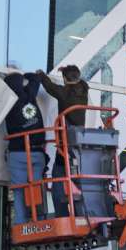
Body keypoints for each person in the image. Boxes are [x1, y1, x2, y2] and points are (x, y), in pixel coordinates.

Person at [36, 66, 89, 216]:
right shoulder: (84, 90)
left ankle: (62, 216)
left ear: (65, 79)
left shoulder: (66, 93)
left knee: (58, 180)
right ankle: (81, 215)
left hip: (66, 144)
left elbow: (50, 88)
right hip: (78, 142)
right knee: (77, 181)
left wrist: (41, 75)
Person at [3, 71, 46, 223]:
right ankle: (39, 221)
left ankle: (20, 223)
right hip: (36, 151)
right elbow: (36, 78)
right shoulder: (30, 94)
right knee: (36, 189)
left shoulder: (7, 102)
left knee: (19, 191)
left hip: (17, 153)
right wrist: (25, 75)